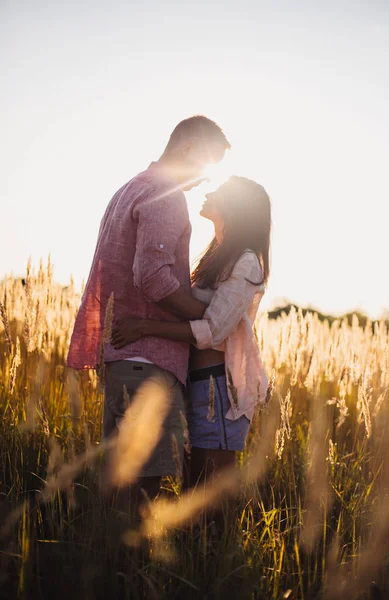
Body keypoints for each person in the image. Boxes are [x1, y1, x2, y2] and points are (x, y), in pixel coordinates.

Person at [67, 116, 230, 502]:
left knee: (121, 484)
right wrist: (206, 318)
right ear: (188, 150)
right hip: (148, 367)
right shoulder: (166, 195)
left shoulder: (130, 188)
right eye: (207, 166)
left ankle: (112, 561)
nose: (207, 180)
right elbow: (153, 277)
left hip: (125, 360)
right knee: (143, 491)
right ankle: (131, 564)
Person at [111, 176, 271, 489]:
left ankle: (219, 540)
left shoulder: (247, 262)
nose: (210, 192)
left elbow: (213, 330)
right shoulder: (217, 256)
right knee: (191, 488)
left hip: (221, 388)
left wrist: (144, 327)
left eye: (221, 191)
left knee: (207, 491)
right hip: (194, 382)